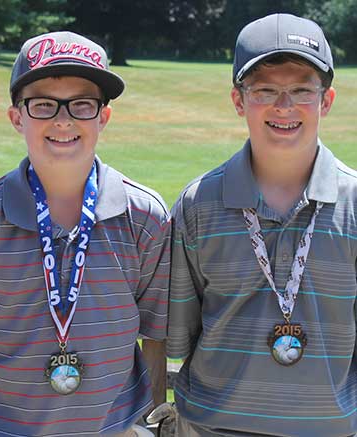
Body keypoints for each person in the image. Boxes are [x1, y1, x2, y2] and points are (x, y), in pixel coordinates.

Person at [0, 31, 171, 436]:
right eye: (44, 105)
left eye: (83, 104)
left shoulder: (145, 217)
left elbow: (154, 330)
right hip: (6, 427)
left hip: (114, 427)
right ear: (17, 116)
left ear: (104, 116)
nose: (64, 120)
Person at [166, 13, 357, 436]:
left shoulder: (354, 204)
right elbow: (179, 336)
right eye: (265, 90)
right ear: (239, 101)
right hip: (211, 427)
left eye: (302, 90)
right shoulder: (198, 205)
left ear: (326, 101)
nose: (283, 106)